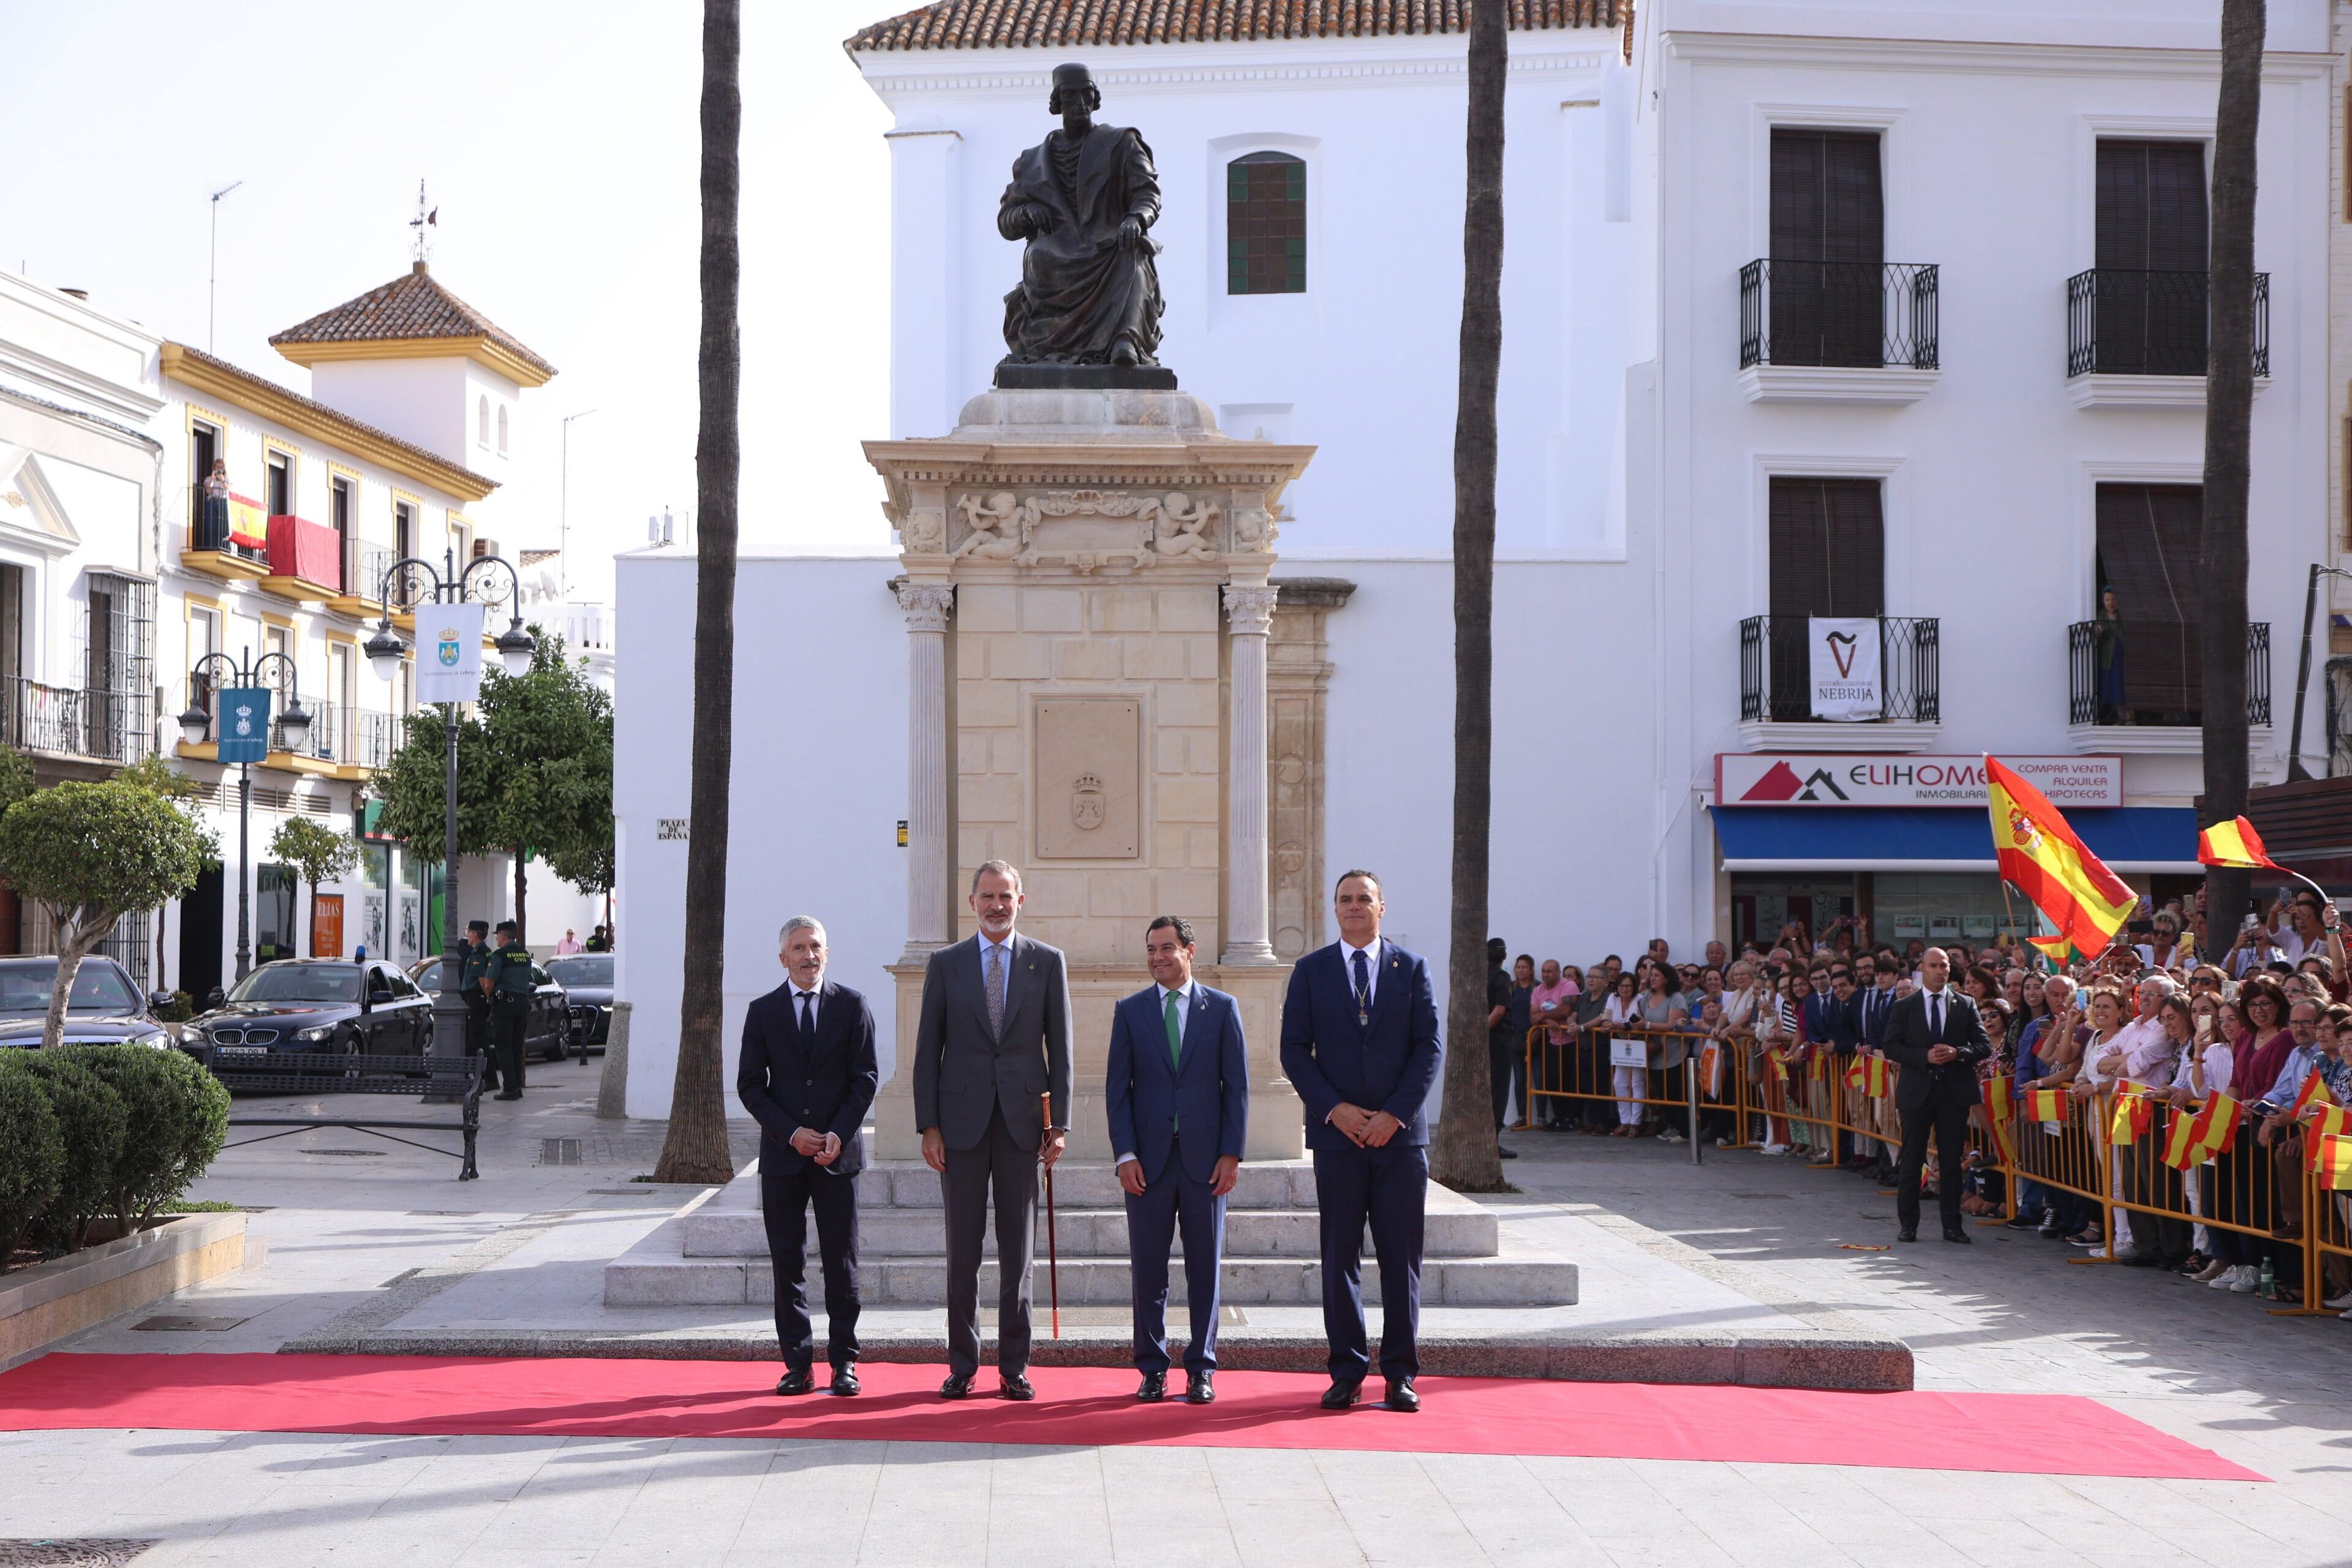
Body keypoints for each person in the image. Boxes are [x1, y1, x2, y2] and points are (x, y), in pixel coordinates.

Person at [1278, 869, 1442, 1414]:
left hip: (1399, 1142)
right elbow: (1294, 1050)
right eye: (1345, 899)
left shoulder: (1411, 968)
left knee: (1401, 1261)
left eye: (1364, 899)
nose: (1354, 906)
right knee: (1339, 1258)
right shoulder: (1311, 971)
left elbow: (1428, 1047)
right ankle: (1347, 1372)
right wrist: (1336, 1109)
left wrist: (1394, 1115)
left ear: (1381, 907)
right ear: (1335, 908)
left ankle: (1400, 1375)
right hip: (1339, 1140)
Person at [911, 861, 1072, 1402]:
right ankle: (963, 1364)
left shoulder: (1047, 962)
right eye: (987, 896)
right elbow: (927, 1051)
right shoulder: (946, 964)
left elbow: (1061, 1052)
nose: (997, 906)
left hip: (1024, 1127)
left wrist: (1059, 1125)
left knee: (1018, 1255)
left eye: (1006, 896)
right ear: (972, 902)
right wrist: (929, 1126)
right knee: (963, 1253)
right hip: (960, 1127)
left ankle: (1013, 1367)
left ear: (1020, 901)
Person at [1106, 914, 1248, 1405]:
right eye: (1151, 949)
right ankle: (1152, 1368)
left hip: (1206, 1163)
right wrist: (1125, 1154)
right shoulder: (1130, 1011)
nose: (1157, 957)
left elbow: (1237, 1088)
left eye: (1167, 948)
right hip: (1147, 1163)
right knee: (1148, 1270)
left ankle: (1201, 1368)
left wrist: (1231, 1153)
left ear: (1190, 950)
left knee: (1204, 1269)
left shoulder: (1222, 1008)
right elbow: (1117, 1091)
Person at [736, 916, 877, 1397]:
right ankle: (798, 1364)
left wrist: (838, 1132)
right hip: (784, 1157)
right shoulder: (762, 1012)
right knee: (787, 1262)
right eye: (798, 948)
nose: (808, 955)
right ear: (783, 958)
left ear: (827, 953)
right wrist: (792, 1133)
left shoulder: (853, 1005)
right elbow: (750, 1086)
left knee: (842, 1262)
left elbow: (865, 1078)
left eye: (815, 946)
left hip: (838, 1156)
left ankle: (844, 1362)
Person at [1883, 946, 1989, 1243]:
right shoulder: (1905, 1006)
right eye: (1934, 966)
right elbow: (1891, 1046)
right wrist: (1924, 1056)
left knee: (1951, 1162)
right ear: (1922, 969)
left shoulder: (1965, 1004)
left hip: (1953, 1093)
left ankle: (1952, 1226)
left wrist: (1958, 1052)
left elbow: (1983, 1046)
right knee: (1912, 1159)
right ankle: (1908, 1224)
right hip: (1917, 1092)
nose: (1940, 971)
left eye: (1944, 965)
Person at [482, 921, 535, 1099]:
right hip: (522, 1003)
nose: (496, 938)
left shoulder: (499, 956)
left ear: (503, 936)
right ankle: (517, 1086)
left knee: (503, 1046)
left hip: (505, 1005)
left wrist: (490, 998)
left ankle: (510, 1088)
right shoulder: (525, 955)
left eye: (497, 935)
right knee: (516, 1045)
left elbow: (488, 984)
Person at [1482, 940, 1522, 1158]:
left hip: (1479, 1042)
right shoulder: (1501, 978)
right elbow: (1499, 1011)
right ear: (1504, 957)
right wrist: (1483, 1033)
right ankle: (1491, 1142)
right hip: (1497, 1041)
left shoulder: (1477, 976)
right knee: (1498, 1091)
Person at [1529, 960, 1578, 1131]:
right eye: (1543, 971)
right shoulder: (1538, 990)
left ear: (1558, 972)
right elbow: (1533, 1016)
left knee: (1571, 1081)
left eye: (1550, 971)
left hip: (1571, 1042)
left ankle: (1571, 1117)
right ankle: (1558, 1116)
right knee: (1551, 1080)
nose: (1546, 975)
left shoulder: (1568, 986)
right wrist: (1548, 1020)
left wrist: (1543, 1015)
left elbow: (1566, 1010)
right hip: (1552, 1041)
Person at [456, 919, 495, 1092]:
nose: (467, 935)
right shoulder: (485, 952)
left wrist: (488, 999)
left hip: (476, 999)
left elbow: (482, 981)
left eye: (469, 932)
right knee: (477, 1040)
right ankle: (480, 1076)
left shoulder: (479, 954)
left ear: (475, 935)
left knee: (478, 1041)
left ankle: (489, 1078)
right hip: (478, 999)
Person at [200, 457, 230, 551]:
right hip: (212, 502)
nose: (220, 470)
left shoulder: (227, 480)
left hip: (223, 503)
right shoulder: (209, 479)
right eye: (218, 467)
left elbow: (229, 491)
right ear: (214, 468)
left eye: (221, 467)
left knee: (224, 526)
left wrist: (223, 480)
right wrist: (212, 479)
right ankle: (212, 547)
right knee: (212, 526)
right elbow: (208, 491)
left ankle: (224, 548)